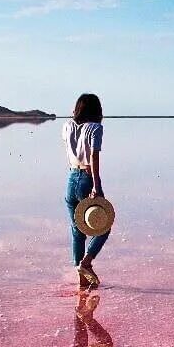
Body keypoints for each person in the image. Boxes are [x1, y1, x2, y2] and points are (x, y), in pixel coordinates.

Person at [62, 93, 109, 289]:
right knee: (104, 226)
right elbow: (93, 156)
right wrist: (96, 185)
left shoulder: (67, 126)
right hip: (86, 179)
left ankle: (81, 278)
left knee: (76, 230)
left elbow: (69, 150)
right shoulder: (95, 128)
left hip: (71, 178)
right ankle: (86, 262)